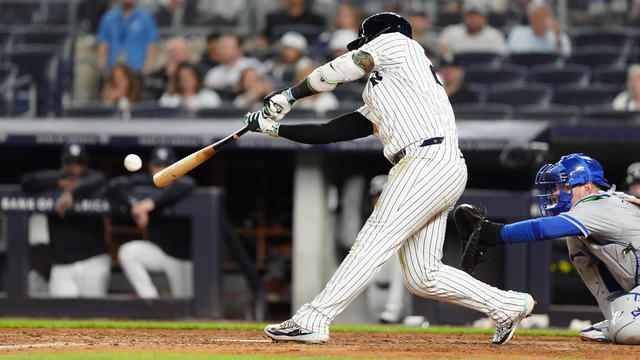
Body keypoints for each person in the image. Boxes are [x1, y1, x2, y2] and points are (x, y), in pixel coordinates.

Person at [244, 12, 534, 345]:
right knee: (423, 277)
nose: (365, 47)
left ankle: (315, 318)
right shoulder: (389, 88)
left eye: (366, 41)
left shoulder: (401, 44)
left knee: (374, 239)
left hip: (426, 161)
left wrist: (289, 96)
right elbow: (332, 131)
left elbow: (343, 68)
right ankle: (507, 305)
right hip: (436, 165)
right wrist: (274, 129)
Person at [455, 153, 640, 344]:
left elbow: (542, 228)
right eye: (557, 187)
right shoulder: (606, 203)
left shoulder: (598, 205)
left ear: (588, 187)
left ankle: (624, 322)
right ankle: (620, 317)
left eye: (566, 186)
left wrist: (494, 233)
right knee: (576, 242)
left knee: (626, 331)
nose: (556, 193)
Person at [21, 143, 109, 298]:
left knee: (95, 317)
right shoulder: (54, 180)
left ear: (85, 164)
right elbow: (27, 181)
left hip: (93, 261)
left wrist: (73, 193)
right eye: (70, 163)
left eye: (79, 162)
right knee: (61, 317)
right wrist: (59, 182)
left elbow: (100, 178)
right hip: (62, 265)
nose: (74, 168)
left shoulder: (93, 179)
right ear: (63, 163)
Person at [107, 146, 195, 298]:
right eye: (158, 166)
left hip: (183, 258)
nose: (161, 170)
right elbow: (115, 185)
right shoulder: (148, 181)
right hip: (159, 252)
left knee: (185, 304)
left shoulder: (182, 184)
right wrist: (135, 206)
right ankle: (151, 300)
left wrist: (151, 203)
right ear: (150, 167)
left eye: (166, 166)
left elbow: (188, 183)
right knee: (128, 253)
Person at [96, 0, 159, 74]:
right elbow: (103, 47)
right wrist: (103, 71)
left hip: (137, 71)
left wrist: (146, 73)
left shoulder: (146, 19)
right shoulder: (108, 18)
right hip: (113, 70)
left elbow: (151, 48)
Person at [438, 0, 506, 56]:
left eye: (478, 17)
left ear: (484, 19)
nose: (474, 20)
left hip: (487, 71)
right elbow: (442, 55)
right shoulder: (450, 32)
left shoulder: (495, 35)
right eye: (471, 16)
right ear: (464, 17)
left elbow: (501, 58)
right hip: (459, 70)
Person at [507, 3, 571, 56]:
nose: (540, 21)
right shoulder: (517, 33)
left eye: (544, 17)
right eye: (537, 17)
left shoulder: (560, 36)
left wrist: (557, 37)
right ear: (530, 20)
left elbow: (563, 62)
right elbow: (510, 58)